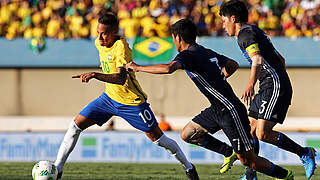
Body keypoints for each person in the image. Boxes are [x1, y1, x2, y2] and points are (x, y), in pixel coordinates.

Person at [126, 18, 294, 180]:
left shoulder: (188, 55)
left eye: (173, 39)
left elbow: (169, 68)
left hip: (230, 110)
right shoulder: (204, 51)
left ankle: (284, 175)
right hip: (217, 108)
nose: (174, 43)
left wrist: (138, 67)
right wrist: (220, 78)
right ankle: (228, 152)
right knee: (188, 134)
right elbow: (232, 64)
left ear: (177, 38)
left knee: (249, 160)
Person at [54, 13, 199, 180]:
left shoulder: (121, 47)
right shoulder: (99, 43)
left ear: (115, 31)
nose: (100, 37)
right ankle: (57, 170)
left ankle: (188, 167)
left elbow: (121, 78)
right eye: (98, 32)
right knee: (75, 126)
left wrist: (95, 74)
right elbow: (107, 61)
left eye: (104, 33)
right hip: (109, 98)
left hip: (132, 102)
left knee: (159, 139)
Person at [219, 1, 316, 179]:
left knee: (262, 133)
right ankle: (251, 175)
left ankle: (304, 152)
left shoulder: (244, 35)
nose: (223, 25)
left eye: (224, 20)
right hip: (269, 84)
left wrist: (252, 85)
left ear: (233, 18)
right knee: (250, 130)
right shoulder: (253, 31)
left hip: (273, 85)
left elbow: (257, 61)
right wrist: (268, 81)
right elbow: (280, 58)